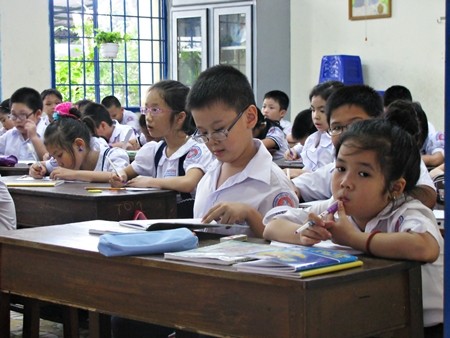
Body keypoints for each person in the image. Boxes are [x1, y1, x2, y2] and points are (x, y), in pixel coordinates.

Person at [263, 119, 443, 335]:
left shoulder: (406, 211)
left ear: (395, 188)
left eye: (363, 174)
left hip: (427, 327)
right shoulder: (334, 207)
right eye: (340, 168)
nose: (345, 182)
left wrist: (353, 239)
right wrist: (303, 236)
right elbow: (272, 226)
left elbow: (425, 247)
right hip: (371, 321)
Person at [187, 64, 298, 237]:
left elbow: (291, 249)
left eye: (219, 130)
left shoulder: (274, 185)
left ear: (250, 117)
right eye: (203, 133)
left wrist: (251, 215)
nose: (211, 141)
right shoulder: (209, 175)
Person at [291, 84, 437, 209]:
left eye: (355, 125)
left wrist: (373, 199)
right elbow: (296, 187)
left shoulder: (399, 155)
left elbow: (427, 194)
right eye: (336, 127)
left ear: (378, 123)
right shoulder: (338, 167)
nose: (346, 134)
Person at [110, 80, 214, 218]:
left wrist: (150, 182)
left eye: (155, 110)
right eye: (146, 109)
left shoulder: (196, 150)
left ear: (179, 117)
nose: (148, 117)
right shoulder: (154, 150)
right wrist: (120, 176)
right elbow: (125, 172)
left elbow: (188, 183)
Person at [29, 104, 129, 182]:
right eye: (54, 157)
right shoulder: (62, 161)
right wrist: (38, 168)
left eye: (59, 155)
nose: (58, 162)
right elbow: (44, 165)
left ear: (79, 145)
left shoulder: (113, 156)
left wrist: (74, 174)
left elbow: (119, 175)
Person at [287, 81, 342, 177]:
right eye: (313, 110)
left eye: (322, 111)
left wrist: (300, 173)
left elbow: (332, 176)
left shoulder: (339, 141)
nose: (316, 116)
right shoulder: (312, 138)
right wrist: (294, 150)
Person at [0, 87, 48, 160]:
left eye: (22, 115)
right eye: (14, 115)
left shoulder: (48, 133)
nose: (18, 120)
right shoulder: (9, 135)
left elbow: (51, 163)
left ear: (38, 114)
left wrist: (34, 137)